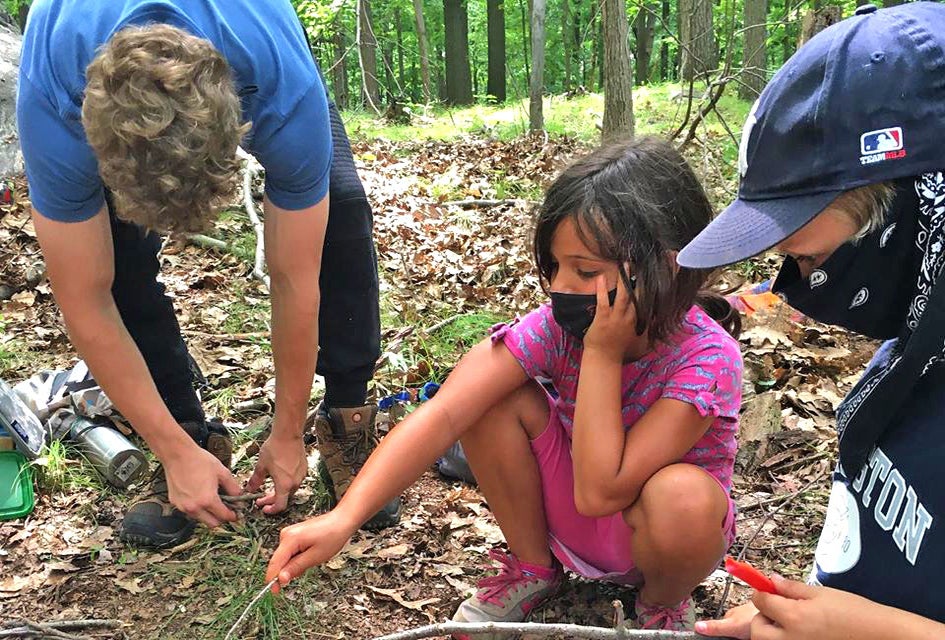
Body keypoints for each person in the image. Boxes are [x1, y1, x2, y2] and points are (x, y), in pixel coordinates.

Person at [266, 137, 744, 633]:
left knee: (684, 497)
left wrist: (601, 352)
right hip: (571, 518)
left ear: (664, 267)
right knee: (490, 398)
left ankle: (662, 603)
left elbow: (600, 494)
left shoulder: (707, 358)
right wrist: (344, 518)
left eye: (585, 271)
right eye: (555, 267)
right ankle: (534, 567)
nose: (560, 287)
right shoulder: (554, 330)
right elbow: (445, 412)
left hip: (658, 534)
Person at [16, 0, 400, 549]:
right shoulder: (53, 97)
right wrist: (172, 449)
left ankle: (346, 416)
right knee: (119, 263)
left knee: (340, 211)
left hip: (257, 53)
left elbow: (295, 278)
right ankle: (186, 436)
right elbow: (85, 297)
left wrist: (288, 431)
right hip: (73, 80)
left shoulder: (278, 84)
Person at [675, 3, 945, 638]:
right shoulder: (916, 346)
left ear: (922, 204)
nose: (799, 280)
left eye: (809, 257)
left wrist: (868, 632)